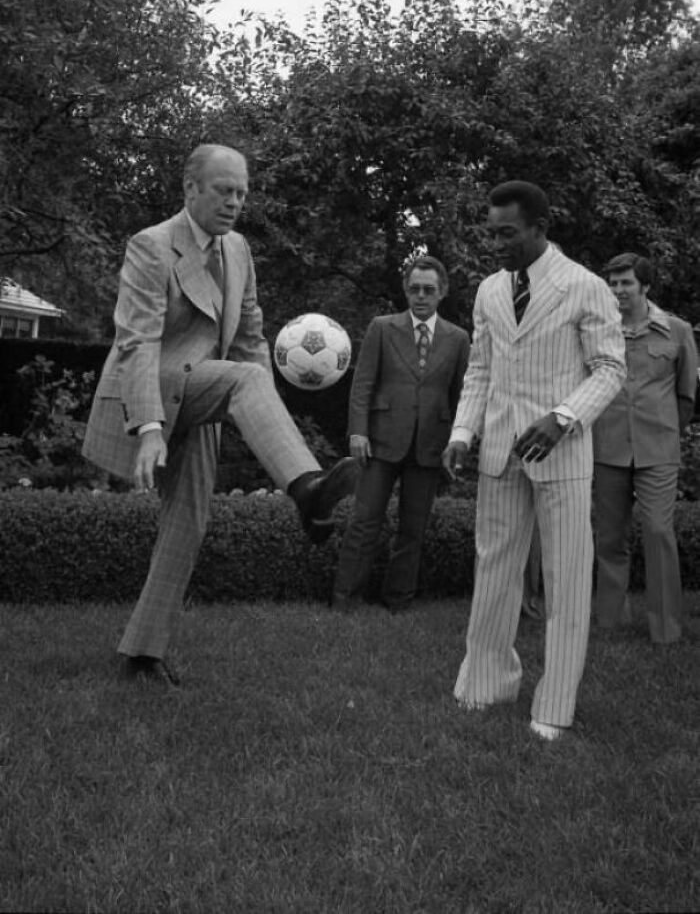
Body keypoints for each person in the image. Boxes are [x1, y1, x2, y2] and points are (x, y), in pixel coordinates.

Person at [83, 144, 358, 686]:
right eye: (224, 190)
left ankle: (142, 654)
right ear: (191, 188)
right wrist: (150, 429)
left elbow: (251, 338)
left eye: (242, 193)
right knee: (246, 378)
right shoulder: (151, 245)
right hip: (153, 389)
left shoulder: (238, 250)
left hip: (205, 392)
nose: (235, 202)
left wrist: (267, 425)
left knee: (189, 522)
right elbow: (137, 342)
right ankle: (308, 491)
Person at [442, 180, 626, 741]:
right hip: (500, 450)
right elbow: (480, 369)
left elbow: (610, 370)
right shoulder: (489, 290)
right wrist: (463, 432)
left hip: (561, 453)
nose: (496, 244)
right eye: (492, 233)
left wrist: (563, 417)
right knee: (493, 571)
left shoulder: (585, 286)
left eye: (508, 233)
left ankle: (553, 707)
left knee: (566, 578)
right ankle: (485, 684)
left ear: (540, 227)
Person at [331, 256, 470, 612]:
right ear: (406, 291)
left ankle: (398, 599)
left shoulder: (458, 339)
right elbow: (362, 385)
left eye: (428, 290)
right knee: (364, 521)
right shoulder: (382, 328)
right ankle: (345, 599)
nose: (421, 296)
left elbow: (461, 396)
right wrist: (358, 432)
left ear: (442, 292)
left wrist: (458, 440)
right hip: (380, 442)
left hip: (429, 445)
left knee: (414, 527)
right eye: (414, 289)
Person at [592, 253, 698, 643]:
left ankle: (666, 628)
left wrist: (667, 432)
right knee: (609, 536)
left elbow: (686, 395)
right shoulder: (598, 330)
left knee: (658, 530)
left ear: (646, 286)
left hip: (658, 451)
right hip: (608, 448)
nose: (618, 290)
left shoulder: (677, 330)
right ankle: (610, 621)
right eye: (613, 283)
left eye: (626, 283)